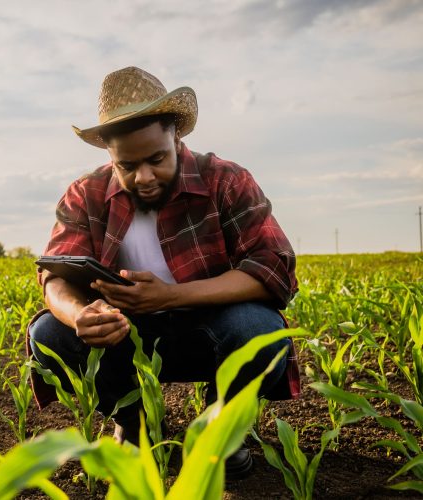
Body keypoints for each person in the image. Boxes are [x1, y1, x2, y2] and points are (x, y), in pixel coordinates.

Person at [27, 66, 300, 480]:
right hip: (124, 339)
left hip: (210, 332)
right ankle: (134, 424)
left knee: (259, 330)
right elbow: (55, 276)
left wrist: (171, 296)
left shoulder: (225, 180)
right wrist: (81, 315)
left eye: (156, 159)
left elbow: (273, 267)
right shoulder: (86, 194)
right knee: (49, 333)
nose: (144, 177)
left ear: (176, 137)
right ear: (109, 156)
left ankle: (221, 429)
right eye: (127, 165)